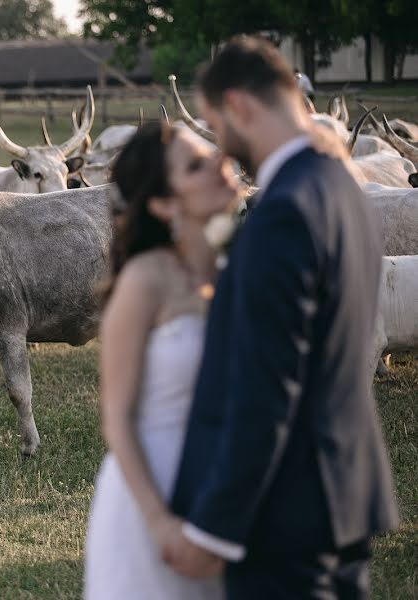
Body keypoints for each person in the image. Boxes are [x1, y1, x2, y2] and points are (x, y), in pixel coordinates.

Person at [164, 36, 399, 599]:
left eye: (217, 126)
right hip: (342, 490)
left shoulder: (285, 214)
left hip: (283, 514)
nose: (221, 145)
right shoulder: (345, 189)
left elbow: (267, 387)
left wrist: (215, 525)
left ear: (241, 106)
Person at [84, 118, 243, 599]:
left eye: (212, 151)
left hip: (222, 499)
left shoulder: (235, 272)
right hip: (152, 497)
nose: (219, 162)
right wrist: (159, 522)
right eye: (196, 165)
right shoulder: (145, 281)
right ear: (163, 202)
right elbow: (116, 418)